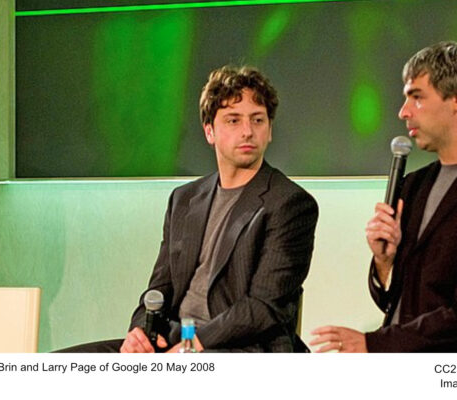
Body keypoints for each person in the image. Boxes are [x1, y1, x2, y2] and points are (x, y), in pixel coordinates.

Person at [61, 65, 318, 352]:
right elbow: (159, 290)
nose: (247, 131)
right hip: (173, 341)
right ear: (210, 131)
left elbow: (263, 308)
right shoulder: (184, 199)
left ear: (269, 130)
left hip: (240, 350)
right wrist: (140, 332)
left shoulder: (290, 203)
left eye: (257, 120)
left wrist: (192, 345)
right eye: (233, 120)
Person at [311, 41, 457, 353]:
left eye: (416, 98)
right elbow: (393, 303)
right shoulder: (413, 185)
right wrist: (384, 262)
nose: (403, 112)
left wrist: (373, 343)